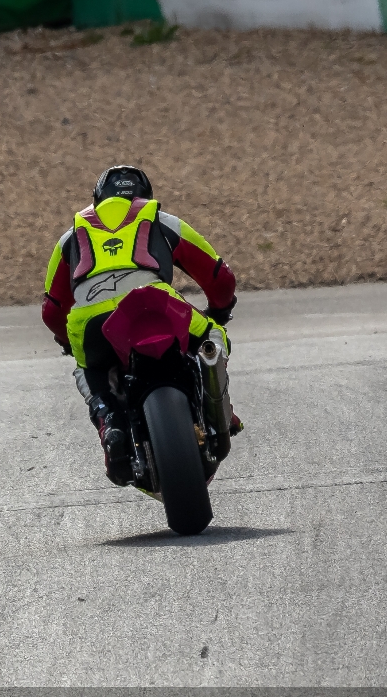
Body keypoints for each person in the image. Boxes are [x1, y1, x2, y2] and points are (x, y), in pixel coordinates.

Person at [41, 165, 241, 484]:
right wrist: (220, 309)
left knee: (88, 369)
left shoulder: (71, 235)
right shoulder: (160, 219)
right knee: (212, 336)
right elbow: (219, 277)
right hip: (153, 301)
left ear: (98, 199)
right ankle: (219, 414)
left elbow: (52, 310)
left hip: (90, 319)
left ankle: (109, 420)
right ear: (144, 196)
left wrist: (67, 340)